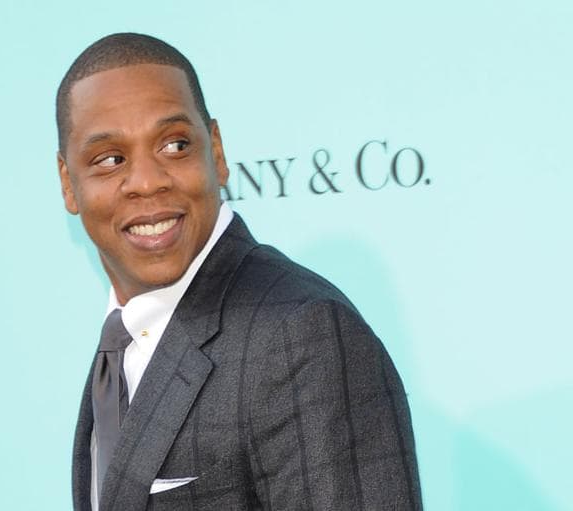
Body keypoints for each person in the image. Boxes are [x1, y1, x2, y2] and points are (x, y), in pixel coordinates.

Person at [55, 32, 422, 511]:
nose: (146, 180)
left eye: (174, 144)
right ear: (69, 184)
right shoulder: (123, 341)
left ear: (217, 152)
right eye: (110, 159)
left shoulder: (301, 335)